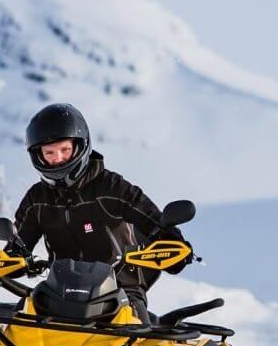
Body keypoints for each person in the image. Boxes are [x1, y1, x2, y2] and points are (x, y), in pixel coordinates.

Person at [12, 103, 188, 321]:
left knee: (137, 332)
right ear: (38, 156)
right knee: (17, 323)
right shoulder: (37, 199)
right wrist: (10, 261)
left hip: (120, 291)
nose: (58, 158)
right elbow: (18, 247)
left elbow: (155, 222)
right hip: (59, 292)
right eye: (49, 152)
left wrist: (174, 244)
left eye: (64, 150)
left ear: (80, 146)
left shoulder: (112, 188)